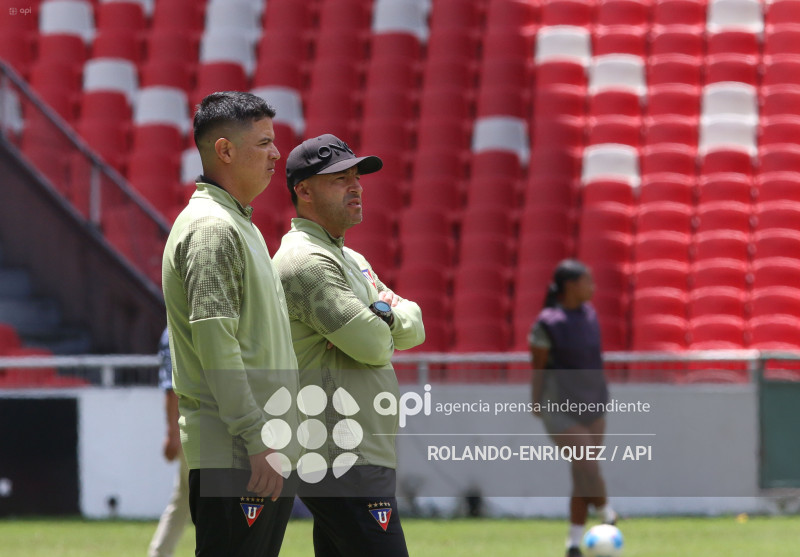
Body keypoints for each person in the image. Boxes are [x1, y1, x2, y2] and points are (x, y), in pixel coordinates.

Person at [161, 91, 301, 557]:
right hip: (241, 452)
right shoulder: (213, 229)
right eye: (263, 143)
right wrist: (258, 438)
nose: (276, 154)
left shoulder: (240, 225)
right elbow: (217, 346)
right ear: (224, 150)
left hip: (254, 447)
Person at [274, 134, 425, 556]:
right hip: (340, 453)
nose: (356, 187)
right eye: (340, 179)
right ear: (304, 191)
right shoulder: (306, 261)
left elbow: (416, 325)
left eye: (356, 177)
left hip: (353, 450)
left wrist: (382, 315)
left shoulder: (350, 259)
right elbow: (375, 345)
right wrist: (386, 316)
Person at [529, 259, 617, 557]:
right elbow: (538, 367)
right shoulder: (547, 323)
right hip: (560, 406)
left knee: (581, 474)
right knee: (588, 465)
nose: (593, 286)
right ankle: (608, 515)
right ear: (570, 286)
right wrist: (536, 401)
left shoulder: (590, 315)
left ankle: (573, 544)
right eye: (587, 281)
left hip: (593, 402)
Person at [148, 327, 190, 557]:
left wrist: (173, 432)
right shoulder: (178, 329)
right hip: (199, 426)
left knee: (183, 499)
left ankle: (159, 553)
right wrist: (172, 433)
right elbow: (172, 386)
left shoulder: (171, 330)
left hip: (193, 424)